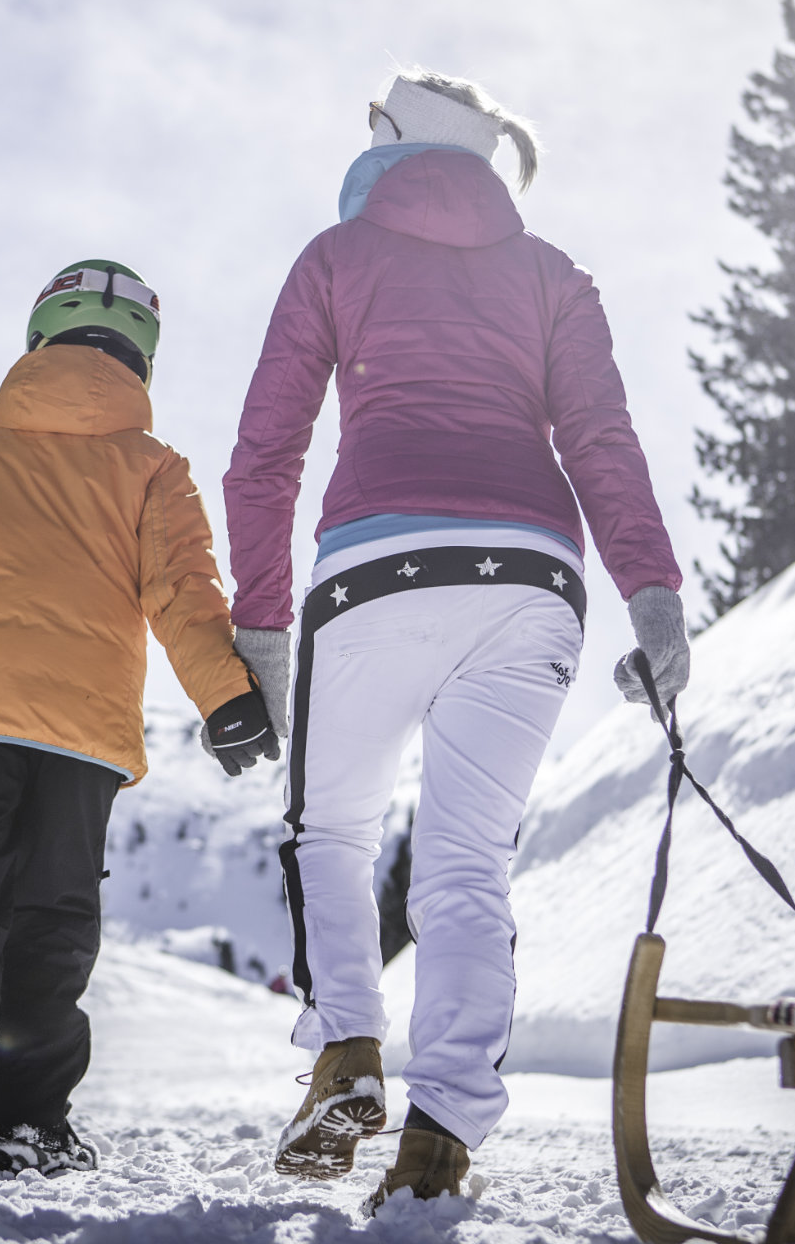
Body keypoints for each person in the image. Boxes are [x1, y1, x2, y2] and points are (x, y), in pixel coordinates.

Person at [222, 70, 690, 1210]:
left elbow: (265, 452)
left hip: (377, 564)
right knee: (470, 864)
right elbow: (602, 438)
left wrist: (263, 627)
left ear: (390, 141)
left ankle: (346, 1051)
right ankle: (437, 1135)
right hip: (533, 575)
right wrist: (654, 594)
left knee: (329, 828)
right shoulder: (554, 274)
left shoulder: (335, 258)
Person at [0, 259, 276, 1175]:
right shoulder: (155, 468)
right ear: (142, 362)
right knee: (53, 916)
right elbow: (185, 593)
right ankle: (28, 1122)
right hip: (81, 734)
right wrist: (226, 697)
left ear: (38, 340)